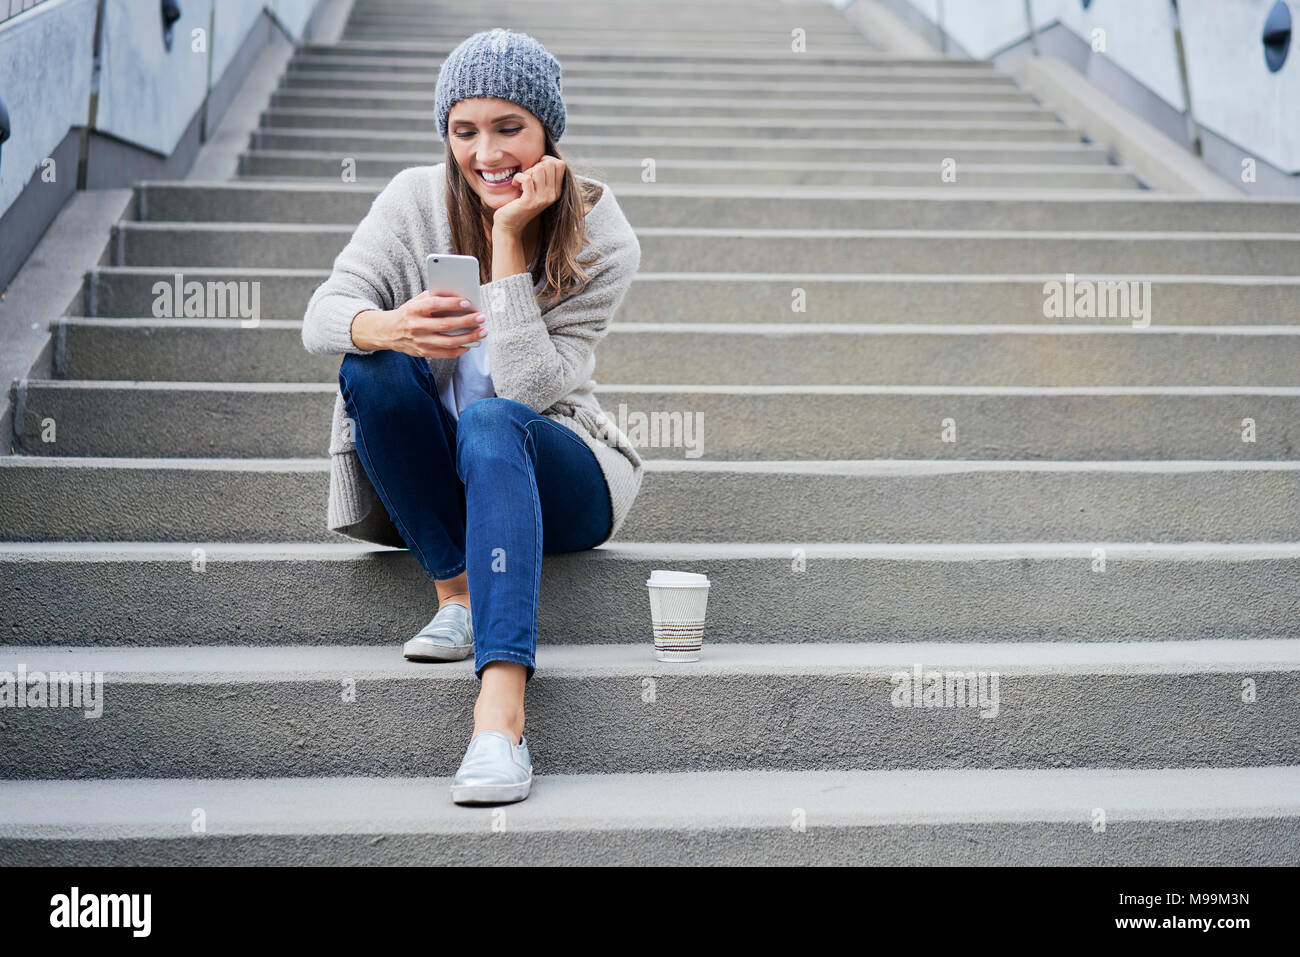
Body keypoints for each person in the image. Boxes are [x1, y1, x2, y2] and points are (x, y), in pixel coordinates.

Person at [300, 28, 644, 806]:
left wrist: (509, 241)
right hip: (439, 489)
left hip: (563, 475)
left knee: (492, 421)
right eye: (464, 130)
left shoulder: (604, 232)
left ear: (548, 131)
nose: (486, 152)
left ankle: (501, 716)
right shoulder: (414, 200)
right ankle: (454, 592)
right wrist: (388, 327)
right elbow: (322, 314)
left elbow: (524, 394)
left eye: (508, 127)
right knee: (372, 367)